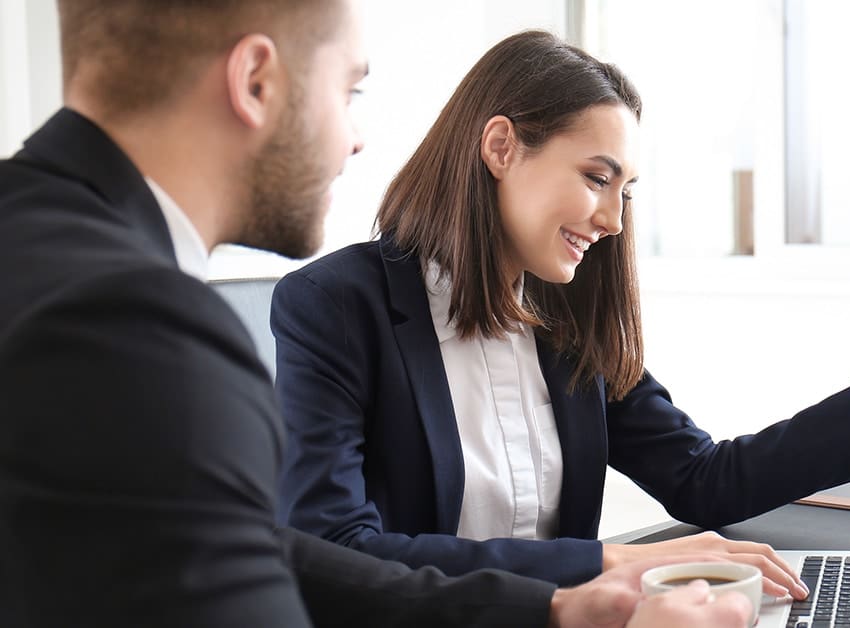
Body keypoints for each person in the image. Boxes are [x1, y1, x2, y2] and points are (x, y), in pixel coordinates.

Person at [0, 2, 751, 626]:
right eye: (349, 91)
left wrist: (558, 611)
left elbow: (267, 549)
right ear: (256, 80)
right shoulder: (129, 321)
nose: (356, 139)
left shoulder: (40, 252)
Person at [271, 29, 850, 596]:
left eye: (624, 190)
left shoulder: (563, 324)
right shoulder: (335, 308)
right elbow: (338, 551)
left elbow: (704, 478)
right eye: (597, 178)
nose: (613, 220)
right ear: (500, 146)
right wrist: (616, 563)